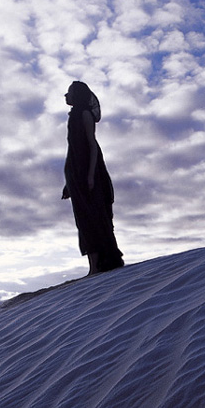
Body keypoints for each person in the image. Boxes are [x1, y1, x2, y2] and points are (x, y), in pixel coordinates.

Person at [62, 80, 123, 274]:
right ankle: (93, 266)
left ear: (77, 94)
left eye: (69, 92)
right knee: (83, 219)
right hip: (75, 172)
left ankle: (100, 264)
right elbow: (73, 149)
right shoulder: (73, 116)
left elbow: (92, 145)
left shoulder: (84, 114)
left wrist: (90, 175)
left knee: (94, 217)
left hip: (88, 171)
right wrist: (68, 183)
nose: (66, 96)